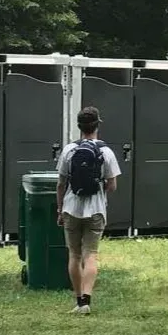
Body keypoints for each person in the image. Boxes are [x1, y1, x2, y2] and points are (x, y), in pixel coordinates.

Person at [55, 106, 120, 314]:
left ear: (79, 127)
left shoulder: (69, 150)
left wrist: (60, 209)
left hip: (71, 208)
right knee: (90, 254)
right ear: (97, 125)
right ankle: (88, 300)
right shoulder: (106, 151)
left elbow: (61, 183)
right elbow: (112, 185)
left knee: (74, 254)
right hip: (96, 209)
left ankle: (79, 302)